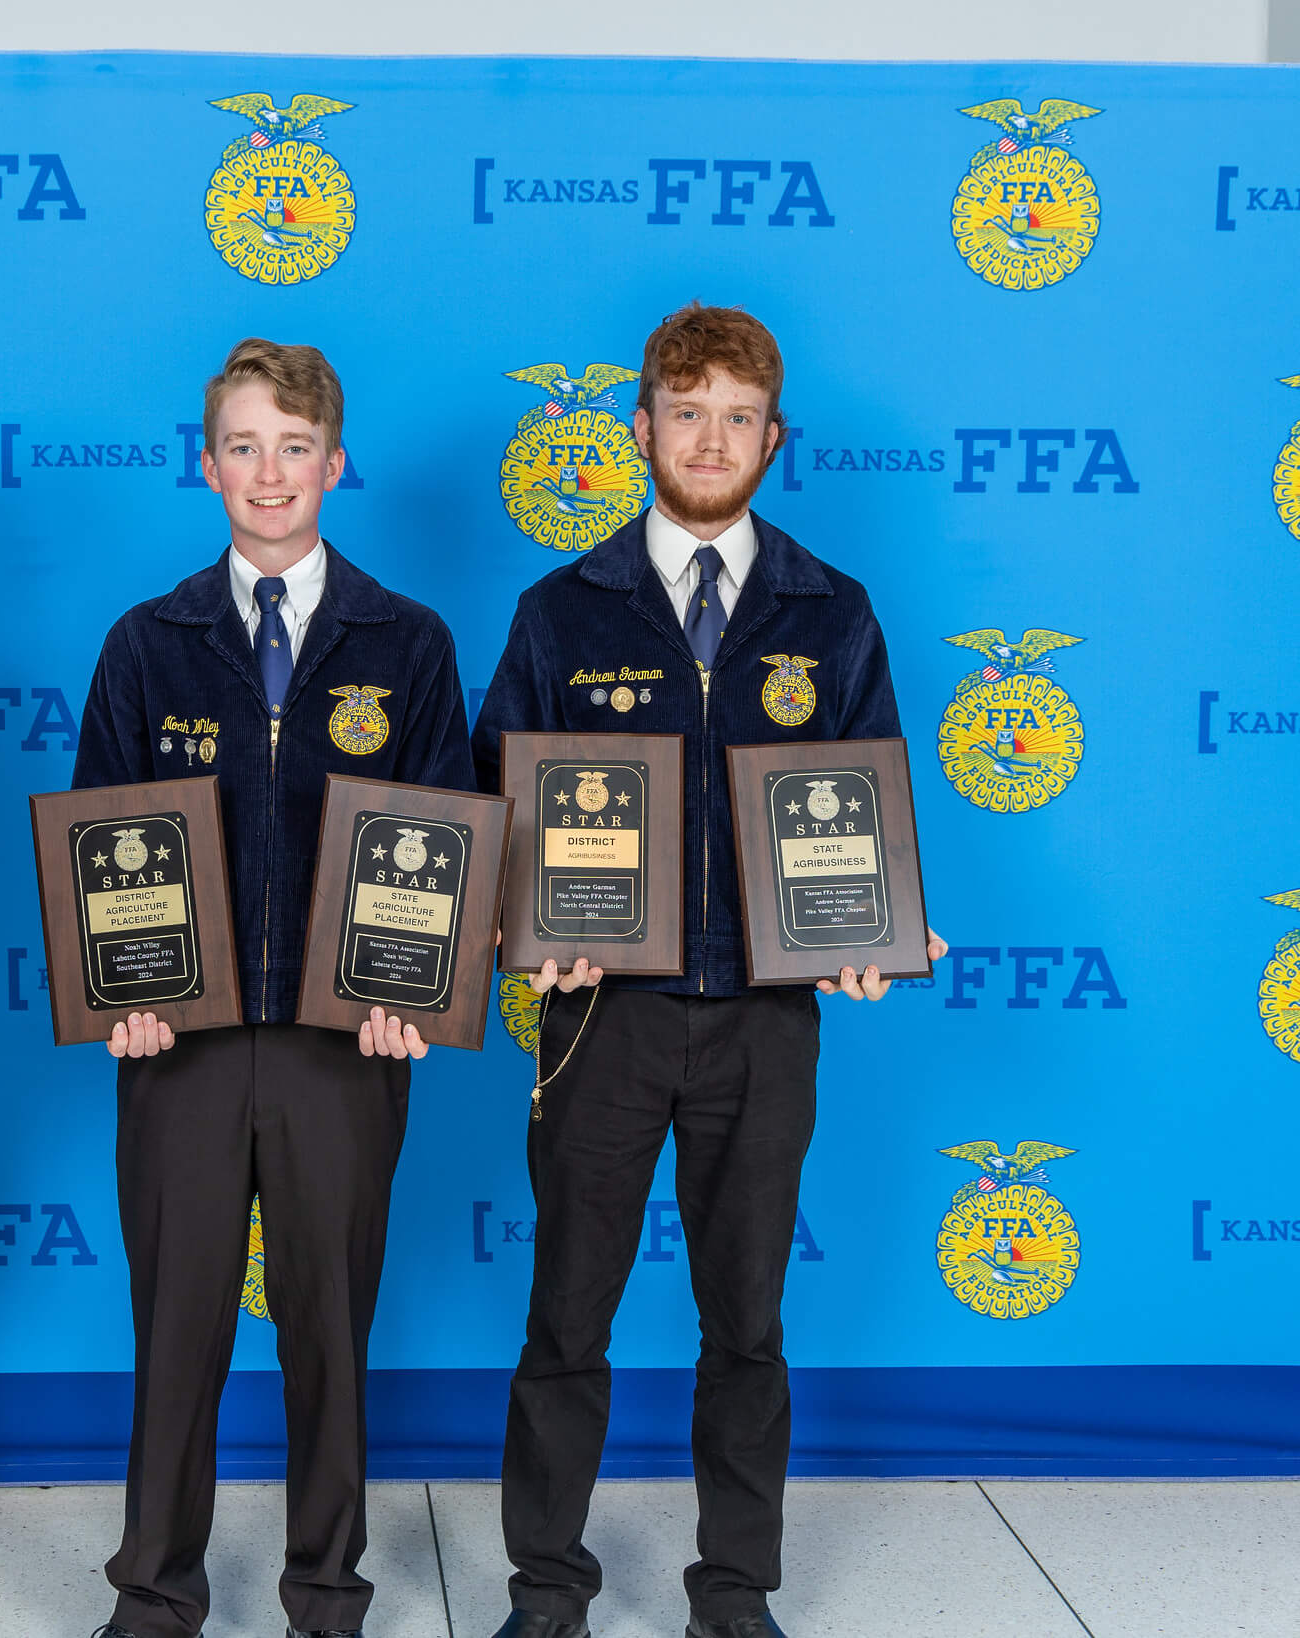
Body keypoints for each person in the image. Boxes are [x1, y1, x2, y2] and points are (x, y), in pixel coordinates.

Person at [471, 303, 946, 1638]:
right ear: (642, 429)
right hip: (599, 1018)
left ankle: (733, 1591)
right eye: (688, 411)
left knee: (747, 1319)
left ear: (774, 440)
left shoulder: (832, 611)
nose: (712, 437)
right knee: (566, 1311)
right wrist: (522, 915)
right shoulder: (561, 611)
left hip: (767, 1019)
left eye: (739, 416)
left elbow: (867, 809)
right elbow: (492, 802)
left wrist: (872, 936)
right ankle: (546, 1590)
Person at [73, 338, 474, 1638]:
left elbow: (450, 835)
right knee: (177, 1323)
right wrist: (113, 987)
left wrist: (416, 984)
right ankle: (155, 1588)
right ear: (206, 466)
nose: (268, 471)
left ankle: (327, 1586)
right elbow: (100, 837)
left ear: (336, 465)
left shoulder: (407, 643)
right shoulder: (146, 643)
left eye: (294, 446)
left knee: (328, 1326)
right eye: (242, 445)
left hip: (341, 1043)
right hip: (176, 1042)